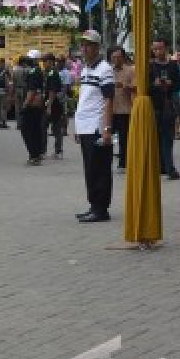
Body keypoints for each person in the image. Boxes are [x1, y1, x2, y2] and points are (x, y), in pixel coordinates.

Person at [74, 30, 116, 222]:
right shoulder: (85, 69)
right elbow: (84, 100)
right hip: (85, 126)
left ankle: (101, 209)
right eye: (82, 44)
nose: (84, 48)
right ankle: (94, 205)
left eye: (88, 45)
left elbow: (108, 100)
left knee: (99, 169)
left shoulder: (105, 69)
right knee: (90, 168)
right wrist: (76, 126)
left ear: (97, 47)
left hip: (97, 127)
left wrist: (107, 129)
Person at [150, 39, 180, 180]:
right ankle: (158, 167)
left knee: (168, 138)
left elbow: (178, 85)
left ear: (166, 49)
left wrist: (170, 84)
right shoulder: (150, 66)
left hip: (168, 105)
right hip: (153, 106)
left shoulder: (173, 65)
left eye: (160, 48)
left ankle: (169, 167)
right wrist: (155, 85)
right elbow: (145, 88)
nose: (158, 51)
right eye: (155, 49)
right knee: (155, 139)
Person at [18, 50, 46, 165]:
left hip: (32, 105)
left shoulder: (34, 71)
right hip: (36, 105)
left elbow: (32, 90)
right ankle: (37, 154)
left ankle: (34, 155)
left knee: (28, 130)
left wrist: (25, 104)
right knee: (34, 130)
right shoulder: (36, 70)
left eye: (29, 59)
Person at [110, 48, 135, 170]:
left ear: (123, 57)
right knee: (108, 136)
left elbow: (136, 87)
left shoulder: (130, 70)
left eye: (118, 57)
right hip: (110, 109)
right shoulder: (108, 71)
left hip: (125, 109)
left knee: (124, 137)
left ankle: (123, 162)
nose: (116, 59)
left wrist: (125, 86)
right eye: (113, 57)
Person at [43, 54, 66, 159]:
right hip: (54, 104)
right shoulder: (51, 73)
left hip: (53, 104)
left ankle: (49, 151)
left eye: (45, 61)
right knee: (56, 128)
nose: (43, 63)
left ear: (51, 62)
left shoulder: (52, 73)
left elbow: (52, 91)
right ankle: (58, 150)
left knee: (47, 127)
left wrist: (49, 106)